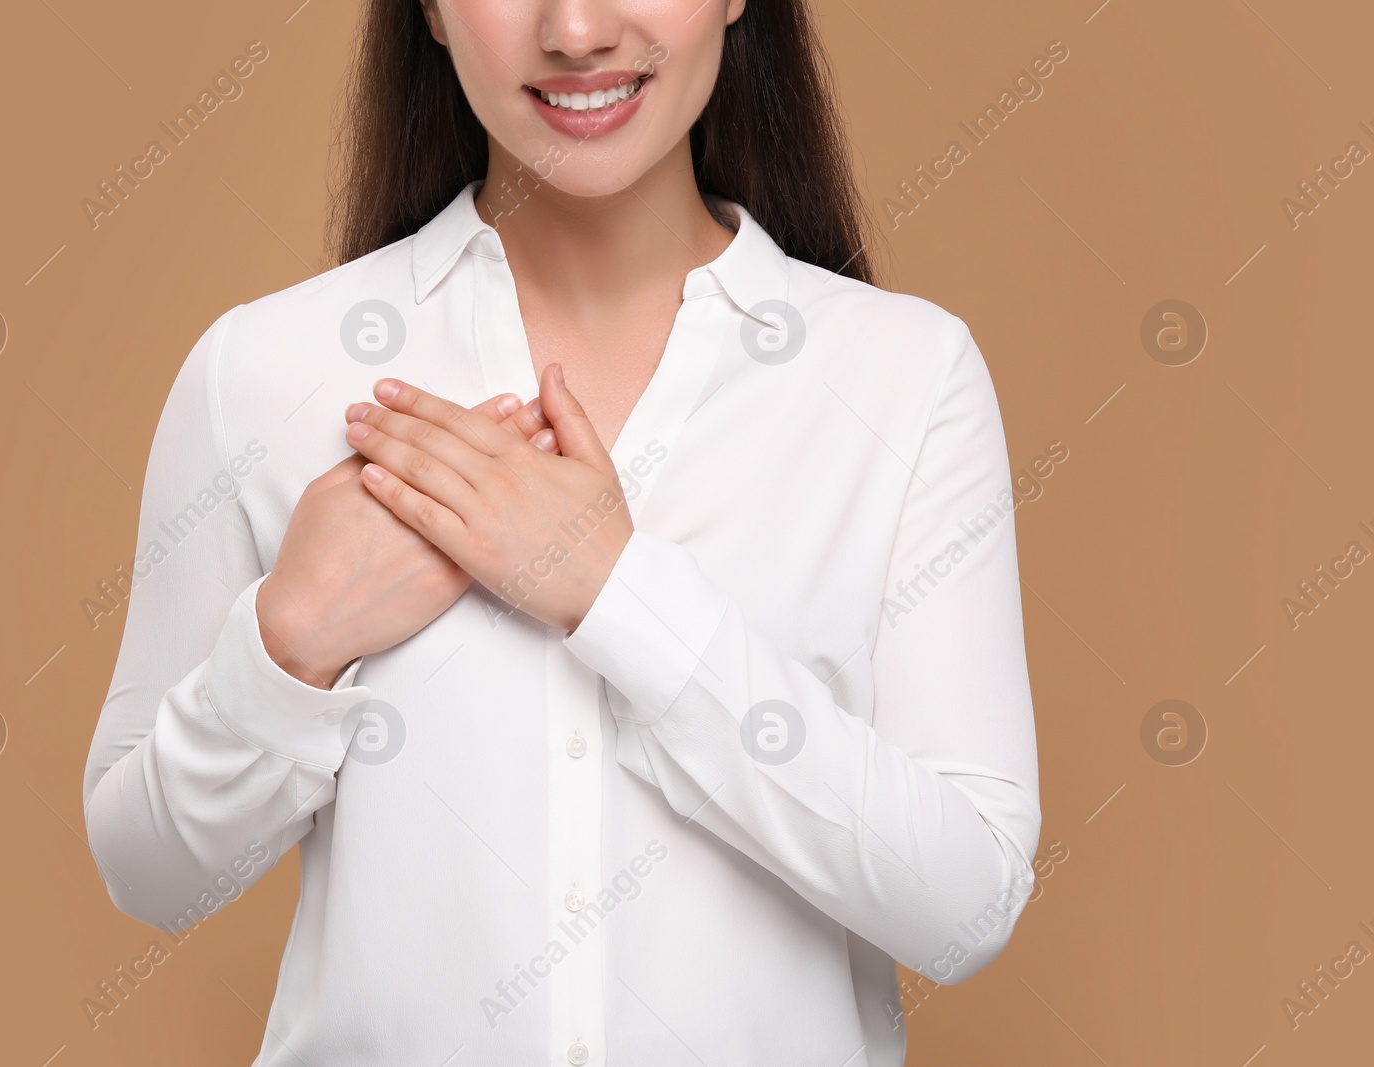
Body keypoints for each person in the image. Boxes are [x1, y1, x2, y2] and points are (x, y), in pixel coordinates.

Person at [82, 0, 1042, 1063]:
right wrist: (290, 639)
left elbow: (965, 905)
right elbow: (150, 874)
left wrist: (617, 594)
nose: (576, 29)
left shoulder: (901, 378)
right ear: (431, 14)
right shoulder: (266, 370)